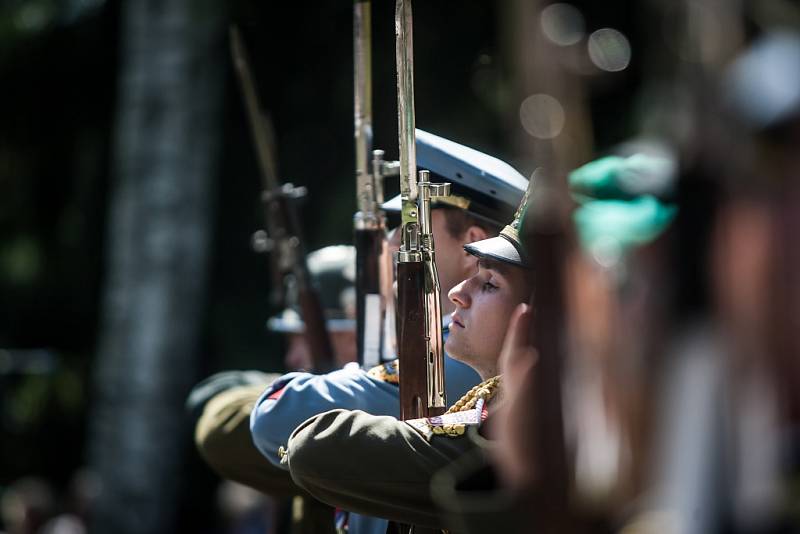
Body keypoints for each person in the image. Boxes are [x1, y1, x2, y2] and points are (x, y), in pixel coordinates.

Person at [283, 191, 534, 530]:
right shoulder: (492, 407)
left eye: (489, 284)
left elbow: (313, 448)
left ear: (539, 322)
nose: (457, 293)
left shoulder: (512, 434)